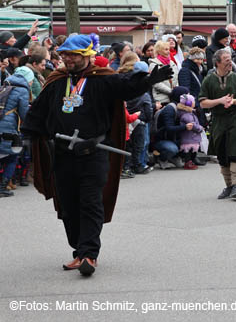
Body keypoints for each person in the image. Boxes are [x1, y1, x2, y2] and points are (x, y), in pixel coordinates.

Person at [21, 35, 172, 276]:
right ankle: (78, 250)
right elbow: (38, 111)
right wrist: (27, 136)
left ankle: (89, 254)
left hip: (93, 153)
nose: (68, 59)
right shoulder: (57, 80)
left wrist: (147, 81)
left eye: (73, 55)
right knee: (69, 206)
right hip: (63, 155)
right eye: (65, 55)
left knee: (90, 202)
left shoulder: (102, 79)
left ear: (86, 56)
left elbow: (126, 86)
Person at [199, 49, 236, 200]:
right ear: (217, 62)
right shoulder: (208, 80)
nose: (230, 63)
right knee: (222, 154)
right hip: (218, 120)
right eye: (226, 60)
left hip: (234, 119)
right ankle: (228, 186)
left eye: (230, 59)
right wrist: (219, 101)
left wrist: (233, 101)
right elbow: (202, 103)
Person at [0, 67, 33, 198]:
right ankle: (2, 186)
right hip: (9, 127)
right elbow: (24, 112)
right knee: (12, 155)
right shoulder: (22, 90)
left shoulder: (4, 85)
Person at [148, 40, 180, 105]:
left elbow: (176, 78)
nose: (168, 51)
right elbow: (156, 83)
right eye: (166, 49)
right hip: (162, 99)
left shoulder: (172, 63)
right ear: (159, 51)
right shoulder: (154, 64)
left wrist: (176, 91)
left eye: (168, 49)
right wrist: (171, 91)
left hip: (174, 98)